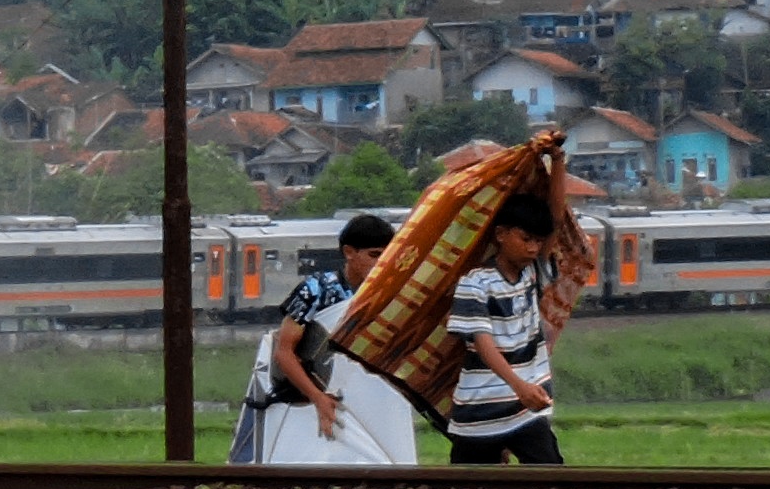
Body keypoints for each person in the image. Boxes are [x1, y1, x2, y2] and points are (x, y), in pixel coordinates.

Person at [242, 212, 416, 467]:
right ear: (349, 252)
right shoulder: (316, 290)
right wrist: (318, 398)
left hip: (374, 399)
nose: (382, 264)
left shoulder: (390, 292)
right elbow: (284, 352)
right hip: (315, 396)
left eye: (387, 256)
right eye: (374, 255)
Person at [441, 196, 568, 465]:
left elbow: (556, 218)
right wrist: (519, 387)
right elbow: (482, 343)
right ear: (501, 234)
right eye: (525, 239)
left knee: (552, 478)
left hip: (526, 411)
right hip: (479, 413)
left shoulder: (533, 273)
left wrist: (557, 167)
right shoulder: (475, 283)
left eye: (538, 241)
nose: (533, 248)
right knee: (467, 485)